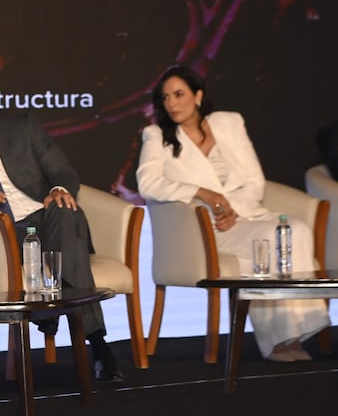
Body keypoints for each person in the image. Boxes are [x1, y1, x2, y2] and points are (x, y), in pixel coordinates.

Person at [0, 82, 124, 383]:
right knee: (69, 257)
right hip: (6, 237)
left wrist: (58, 189)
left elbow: (62, 171)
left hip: (48, 221)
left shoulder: (21, 128)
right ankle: (98, 347)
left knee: (65, 210)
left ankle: (53, 314)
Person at [136, 65, 330, 362]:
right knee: (270, 240)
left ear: (198, 96)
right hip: (203, 227)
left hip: (245, 215)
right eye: (165, 98)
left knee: (296, 228)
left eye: (179, 94)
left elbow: (255, 179)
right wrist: (203, 194)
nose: (171, 103)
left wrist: (232, 209)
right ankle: (278, 343)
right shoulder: (157, 135)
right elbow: (148, 183)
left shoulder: (228, 123)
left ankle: (295, 332)